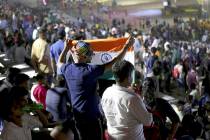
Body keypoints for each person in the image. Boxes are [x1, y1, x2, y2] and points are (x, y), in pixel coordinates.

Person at [58, 36, 135, 140]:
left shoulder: (67, 69)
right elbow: (115, 62)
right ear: (84, 56)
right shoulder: (90, 71)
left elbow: (59, 62)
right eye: (89, 55)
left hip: (77, 117)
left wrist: (65, 49)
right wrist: (126, 46)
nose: (91, 57)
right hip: (91, 119)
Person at [101, 60, 153, 140]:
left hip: (112, 137)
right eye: (131, 75)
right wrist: (139, 97)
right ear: (128, 77)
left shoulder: (107, 92)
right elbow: (148, 122)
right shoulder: (133, 99)